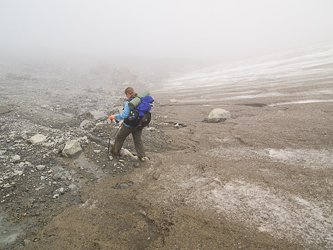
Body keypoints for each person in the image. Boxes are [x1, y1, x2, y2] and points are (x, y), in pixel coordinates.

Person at [109, 87, 147, 162]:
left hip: (129, 125)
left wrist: (114, 116)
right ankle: (142, 157)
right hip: (139, 124)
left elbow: (125, 115)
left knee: (120, 137)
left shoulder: (129, 103)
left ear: (127, 94)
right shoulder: (139, 99)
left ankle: (115, 152)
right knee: (138, 140)